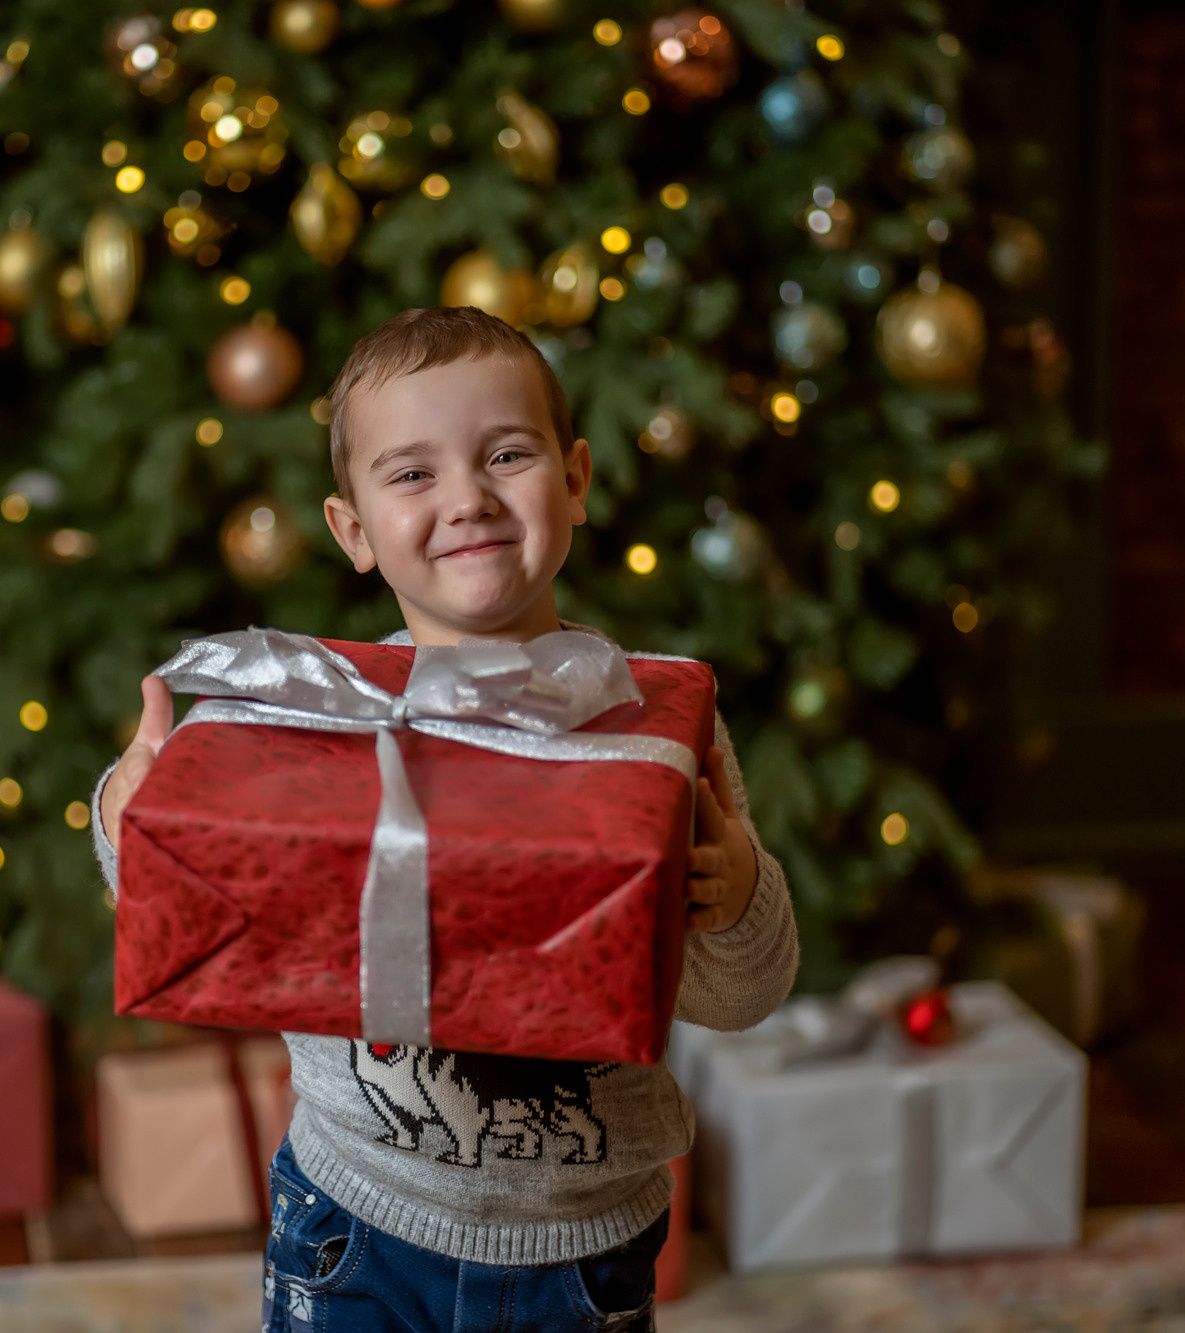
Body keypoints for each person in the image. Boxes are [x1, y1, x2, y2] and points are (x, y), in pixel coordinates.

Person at [90, 306, 799, 1331]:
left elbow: (744, 995)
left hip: (582, 1248)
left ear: (576, 480)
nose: (466, 498)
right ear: (354, 532)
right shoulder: (319, 713)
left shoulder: (651, 730)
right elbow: (203, 898)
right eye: (411, 474)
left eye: (506, 453)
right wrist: (131, 816)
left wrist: (731, 897)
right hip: (354, 1222)